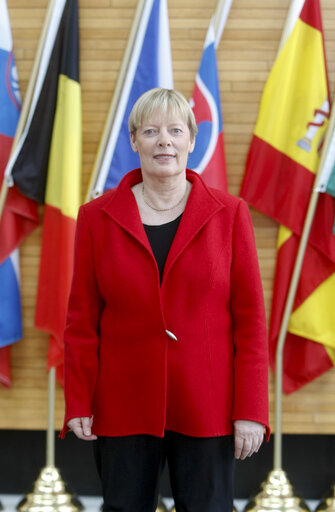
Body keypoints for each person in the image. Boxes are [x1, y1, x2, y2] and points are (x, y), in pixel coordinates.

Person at [60, 88, 270, 512]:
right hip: (123, 402)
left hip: (207, 402)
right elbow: (81, 319)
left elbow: (251, 322)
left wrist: (251, 409)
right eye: (151, 131)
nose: (165, 141)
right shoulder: (96, 218)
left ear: (192, 140)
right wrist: (79, 399)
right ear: (134, 140)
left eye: (176, 130)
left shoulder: (230, 214)